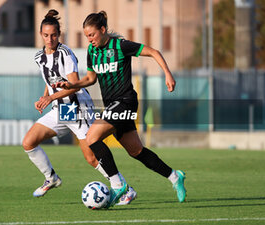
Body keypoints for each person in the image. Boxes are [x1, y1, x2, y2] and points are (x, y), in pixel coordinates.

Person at [53, 11, 186, 203]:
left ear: (103, 30)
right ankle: (175, 176)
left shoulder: (121, 46)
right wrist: (71, 85)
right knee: (136, 151)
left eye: (92, 35)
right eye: (86, 36)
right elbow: (90, 79)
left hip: (125, 101)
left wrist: (167, 74)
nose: (89, 40)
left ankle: (117, 185)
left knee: (92, 137)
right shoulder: (92, 52)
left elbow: (154, 52)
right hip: (113, 106)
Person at [22, 9, 136, 206]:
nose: (50, 39)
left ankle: (124, 188)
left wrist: (51, 98)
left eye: (54, 35)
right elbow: (51, 81)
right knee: (28, 142)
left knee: (92, 158)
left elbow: (72, 86)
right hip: (59, 109)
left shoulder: (66, 54)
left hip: (78, 109)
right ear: (41, 34)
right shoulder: (39, 57)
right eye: (46, 35)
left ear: (59, 35)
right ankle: (51, 178)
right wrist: (45, 96)